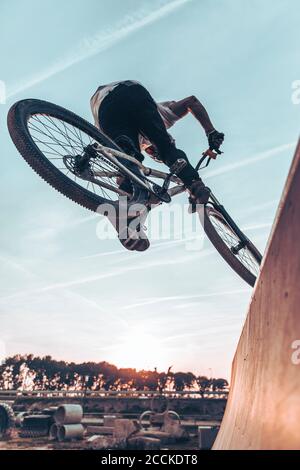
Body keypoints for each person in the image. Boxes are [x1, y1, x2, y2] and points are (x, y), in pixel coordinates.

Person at [90, 80, 224, 251]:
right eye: (155, 155)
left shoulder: (137, 141)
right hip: (130, 93)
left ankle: (127, 223)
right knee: (166, 148)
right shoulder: (162, 115)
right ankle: (195, 186)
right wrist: (211, 131)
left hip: (106, 107)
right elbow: (192, 102)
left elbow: (122, 176)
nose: (154, 155)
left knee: (128, 161)